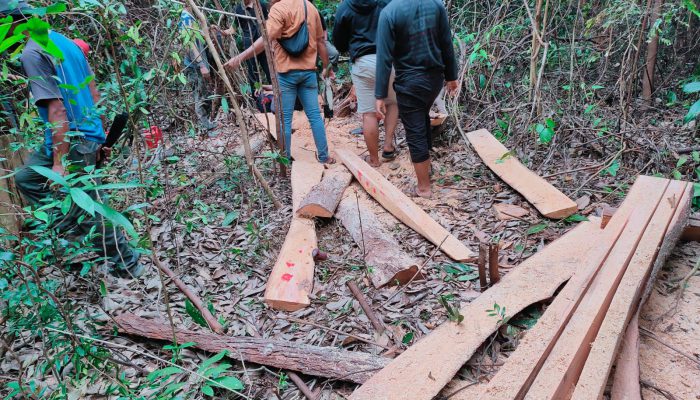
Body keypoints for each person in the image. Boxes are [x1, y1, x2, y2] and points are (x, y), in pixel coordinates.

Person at [1, 0, 143, 277]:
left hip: (73, 141)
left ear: (12, 21)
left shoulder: (32, 52)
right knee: (26, 178)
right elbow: (93, 91)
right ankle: (74, 236)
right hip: (82, 136)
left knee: (91, 205)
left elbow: (57, 110)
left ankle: (127, 265)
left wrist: (59, 161)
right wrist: (101, 138)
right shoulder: (62, 41)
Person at [224, 0, 334, 164]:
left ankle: (285, 160)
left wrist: (239, 58)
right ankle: (324, 157)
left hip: (286, 74)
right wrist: (327, 67)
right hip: (308, 72)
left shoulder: (278, 9)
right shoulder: (309, 7)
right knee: (315, 117)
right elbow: (320, 42)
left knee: (285, 119)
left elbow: (264, 40)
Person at [375, 0, 458, 198]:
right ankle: (427, 170)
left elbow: (384, 58)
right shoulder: (436, 5)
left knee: (415, 132)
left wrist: (379, 94)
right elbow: (446, 42)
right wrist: (451, 76)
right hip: (434, 80)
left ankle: (423, 187)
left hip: (410, 82)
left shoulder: (389, 12)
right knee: (421, 117)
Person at [333, 0, 399, 167]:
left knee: (369, 113)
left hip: (363, 62)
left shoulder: (346, 6)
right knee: (392, 104)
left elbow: (339, 43)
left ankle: (374, 160)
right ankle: (388, 146)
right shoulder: (387, 2)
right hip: (388, 60)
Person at [179, 4, 218, 138]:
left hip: (197, 64)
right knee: (200, 97)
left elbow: (196, 37)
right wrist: (201, 64)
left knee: (204, 94)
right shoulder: (185, 18)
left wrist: (207, 29)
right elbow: (190, 44)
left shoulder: (190, 16)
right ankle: (205, 129)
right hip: (194, 66)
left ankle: (207, 125)